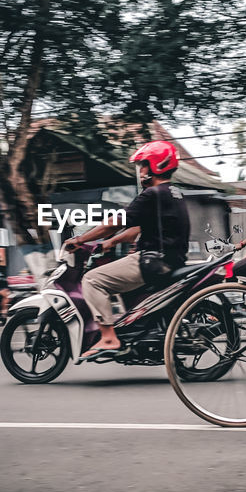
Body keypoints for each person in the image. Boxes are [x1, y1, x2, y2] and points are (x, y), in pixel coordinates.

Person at [63, 141, 190, 359]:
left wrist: (81, 239)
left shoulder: (151, 195)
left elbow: (115, 222)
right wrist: (110, 243)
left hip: (152, 260)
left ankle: (109, 338)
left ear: (156, 165)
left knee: (93, 280)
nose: (141, 171)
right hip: (171, 259)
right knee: (118, 278)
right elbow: (136, 229)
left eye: (144, 165)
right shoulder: (173, 193)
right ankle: (136, 331)